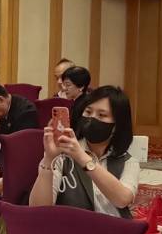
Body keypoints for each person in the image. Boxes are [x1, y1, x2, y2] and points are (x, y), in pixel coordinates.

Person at [29, 85, 137, 217]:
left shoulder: (127, 161)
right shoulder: (63, 155)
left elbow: (122, 200)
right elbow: (38, 209)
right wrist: (49, 158)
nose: (92, 118)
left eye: (102, 115)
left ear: (116, 126)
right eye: (88, 112)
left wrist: (81, 156)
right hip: (75, 227)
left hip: (114, 227)